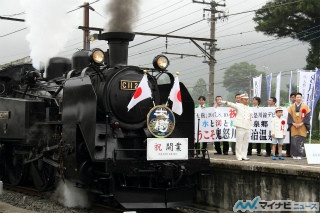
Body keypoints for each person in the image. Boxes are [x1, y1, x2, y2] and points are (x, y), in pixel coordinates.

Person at [222, 93, 253, 161]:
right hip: (240, 125)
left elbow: (251, 118)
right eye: (245, 99)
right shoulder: (238, 105)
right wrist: (223, 101)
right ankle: (239, 156)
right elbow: (231, 104)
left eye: (247, 99)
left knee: (245, 142)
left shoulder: (249, 108)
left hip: (248, 126)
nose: (247, 101)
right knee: (239, 142)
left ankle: (244, 155)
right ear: (241, 100)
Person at [287, 92, 311, 160]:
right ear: (295, 98)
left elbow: (307, 116)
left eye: (300, 97)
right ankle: (294, 154)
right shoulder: (291, 107)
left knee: (301, 140)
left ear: (301, 98)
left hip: (302, 126)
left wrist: (302, 123)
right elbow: (289, 116)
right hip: (294, 125)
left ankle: (300, 154)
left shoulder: (305, 107)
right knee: (294, 140)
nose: (298, 98)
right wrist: (293, 123)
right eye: (297, 97)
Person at [285, 92, 296, 157]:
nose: (293, 98)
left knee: (294, 139)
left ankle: (293, 152)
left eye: (294, 97)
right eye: (292, 97)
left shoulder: (298, 105)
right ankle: (288, 152)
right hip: (288, 124)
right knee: (288, 138)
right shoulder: (287, 104)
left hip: (295, 124)